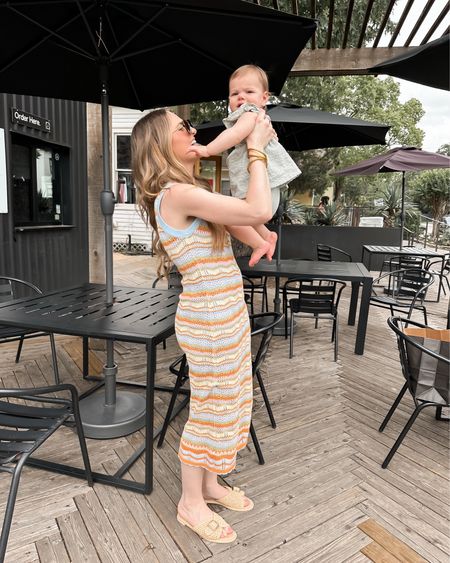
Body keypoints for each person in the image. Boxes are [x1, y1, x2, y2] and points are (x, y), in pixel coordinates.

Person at [131, 108, 274, 543]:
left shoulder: (193, 191)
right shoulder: (174, 194)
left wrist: (261, 237)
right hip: (209, 321)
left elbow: (250, 222)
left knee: (228, 402)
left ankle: (210, 485)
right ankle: (190, 503)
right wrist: (256, 150)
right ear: (161, 146)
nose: (194, 131)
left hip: (225, 314)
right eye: (183, 127)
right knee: (209, 409)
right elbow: (259, 206)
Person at [191, 64, 301, 267]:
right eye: (234, 93)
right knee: (237, 216)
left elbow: (233, 135)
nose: (241, 97)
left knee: (237, 215)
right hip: (261, 189)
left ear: (264, 98)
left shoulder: (251, 113)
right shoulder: (250, 116)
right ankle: (266, 237)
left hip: (266, 188)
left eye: (249, 91)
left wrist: (207, 150)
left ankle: (262, 240)